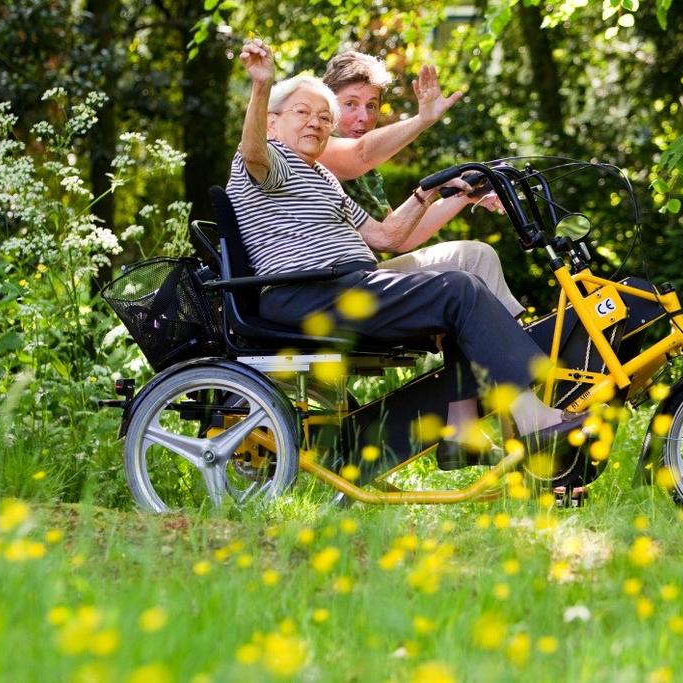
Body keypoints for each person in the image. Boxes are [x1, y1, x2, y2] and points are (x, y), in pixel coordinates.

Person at [227, 39, 584, 468]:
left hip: (345, 286)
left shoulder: (321, 176)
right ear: (272, 123)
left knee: (460, 287)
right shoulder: (272, 163)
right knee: (458, 289)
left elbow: (386, 236)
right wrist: (261, 85)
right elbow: (252, 152)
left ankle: (466, 427)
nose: (316, 124)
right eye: (303, 113)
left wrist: (429, 191)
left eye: (324, 118)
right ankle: (532, 418)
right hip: (309, 291)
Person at [318, 51, 524, 319]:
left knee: (477, 257)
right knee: (466, 274)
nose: (364, 117)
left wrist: (464, 194)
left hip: (366, 276)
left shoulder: (367, 174)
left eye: (371, 105)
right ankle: (517, 354)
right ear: (328, 106)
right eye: (351, 104)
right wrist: (422, 120)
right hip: (335, 289)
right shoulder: (318, 147)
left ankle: (510, 343)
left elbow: (400, 237)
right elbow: (360, 153)